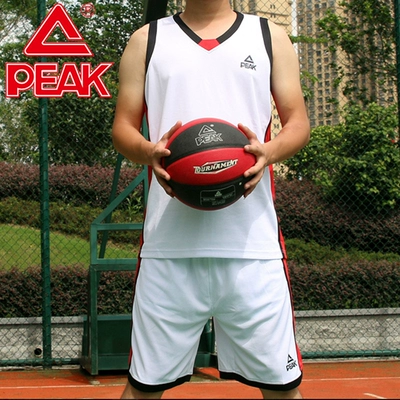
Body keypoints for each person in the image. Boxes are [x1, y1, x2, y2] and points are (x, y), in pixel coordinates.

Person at [112, 0, 310, 398]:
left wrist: (268, 152)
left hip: (252, 251)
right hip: (168, 251)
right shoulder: (146, 41)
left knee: (283, 390)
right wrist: (149, 151)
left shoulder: (269, 36)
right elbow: (122, 128)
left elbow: (298, 123)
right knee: (142, 390)